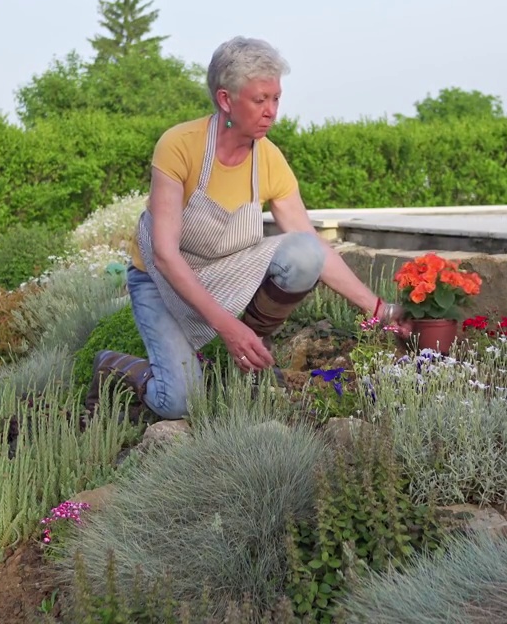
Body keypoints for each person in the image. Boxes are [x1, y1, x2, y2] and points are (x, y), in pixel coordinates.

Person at [89, 36, 405, 420]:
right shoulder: (179, 146)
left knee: (302, 253)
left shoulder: (269, 158)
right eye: (260, 100)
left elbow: (313, 248)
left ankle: (248, 355)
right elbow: (165, 256)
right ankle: (114, 365)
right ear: (226, 100)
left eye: (276, 99)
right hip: (161, 281)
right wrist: (228, 328)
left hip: (225, 271)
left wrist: (380, 310)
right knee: (179, 403)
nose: (271, 111)